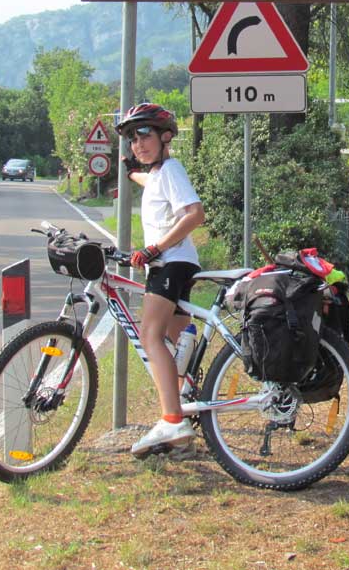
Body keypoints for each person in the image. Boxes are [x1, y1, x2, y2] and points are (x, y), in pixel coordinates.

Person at [115, 102, 206, 457]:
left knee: (149, 336)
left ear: (165, 136)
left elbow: (195, 214)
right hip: (179, 264)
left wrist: (154, 249)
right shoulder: (157, 174)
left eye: (144, 135)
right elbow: (145, 179)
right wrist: (130, 171)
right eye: (131, 139)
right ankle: (186, 411)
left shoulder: (169, 170)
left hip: (169, 264)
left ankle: (172, 418)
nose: (138, 144)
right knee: (175, 342)